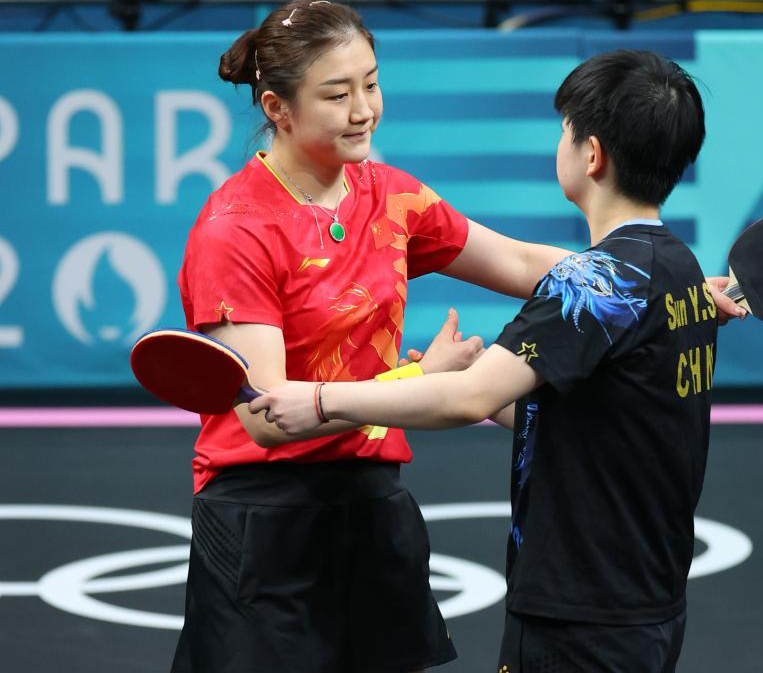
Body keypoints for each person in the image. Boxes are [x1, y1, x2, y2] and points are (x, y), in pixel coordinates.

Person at [252, 49, 721, 672]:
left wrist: (318, 399)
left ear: (592, 155)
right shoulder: (679, 272)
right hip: (649, 601)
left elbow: (469, 397)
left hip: (579, 612)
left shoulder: (591, 285)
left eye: (566, 131)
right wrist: (439, 380)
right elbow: (593, 422)